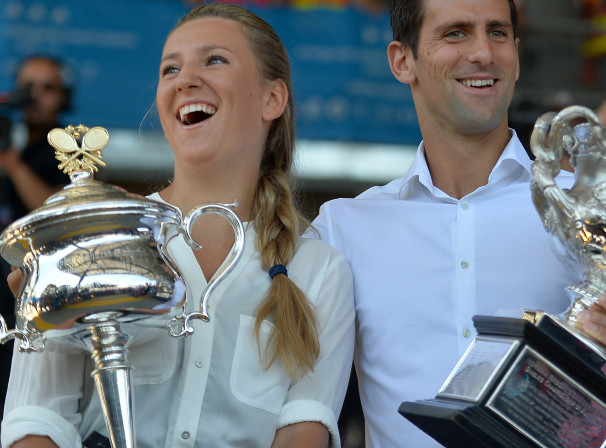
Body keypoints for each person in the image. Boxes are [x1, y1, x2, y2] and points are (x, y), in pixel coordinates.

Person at [308, 0, 606, 446]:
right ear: (402, 60)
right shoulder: (344, 228)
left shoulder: (591, 213)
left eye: (498, 33)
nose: (483, 53)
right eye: (455, 33)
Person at [1, 4, 355, 448]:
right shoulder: (96, 236)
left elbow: (305, 430)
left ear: (273, 99)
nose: (185, 79)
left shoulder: (319, 268)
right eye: (171, 68)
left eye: (215, 60)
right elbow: (34, 419)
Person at [0, 54, 73, 427]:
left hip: (33, 292)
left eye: (48, 88)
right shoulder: (12, 140)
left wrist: (11, 163)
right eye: (29, 86)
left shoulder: (72, 149)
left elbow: (55, 214)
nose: (36, 96)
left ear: (65, 97)